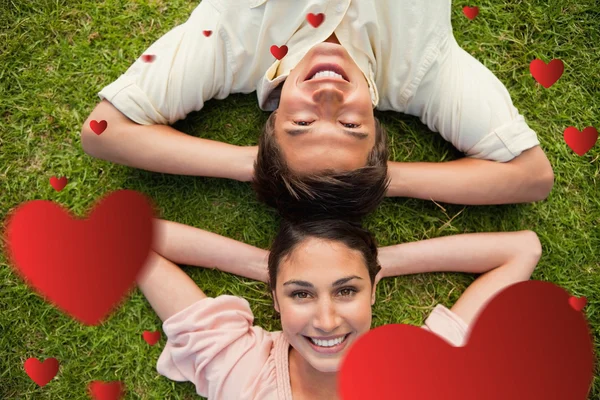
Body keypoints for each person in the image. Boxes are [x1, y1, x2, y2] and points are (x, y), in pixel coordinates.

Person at [80, 0, 554, 219]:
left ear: (270, 125)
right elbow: (531, 176)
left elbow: (104, 131)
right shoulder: (422, 72)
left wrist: (265, 169)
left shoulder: (228, 46)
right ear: (378, 132)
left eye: (302, 124)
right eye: (351, 125)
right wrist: (372, 181)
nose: (328, 97)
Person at [138, 218, 542, 399]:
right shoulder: (240, 370)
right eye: (300, 294)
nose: (327, 321)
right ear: (275, 301)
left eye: (346, 291)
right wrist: (272, 267)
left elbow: (521, 250)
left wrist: (377, 266)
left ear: (372, 294)